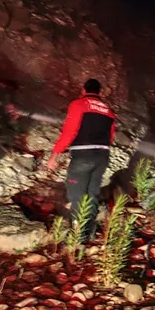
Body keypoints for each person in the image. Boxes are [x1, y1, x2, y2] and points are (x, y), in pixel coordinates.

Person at [47, 79, 116, 241]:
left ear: (83, 91)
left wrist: (55, 155)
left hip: (83, 155)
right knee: (92, 193)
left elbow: (69, 131)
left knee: (77, 194)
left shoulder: (79, 104)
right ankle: (88, 232)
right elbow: (111, 137)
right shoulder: (109, 111)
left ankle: (77, 237)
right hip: (102, 156)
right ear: (100, 93)